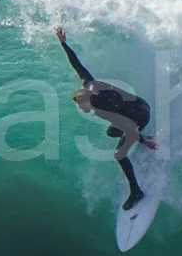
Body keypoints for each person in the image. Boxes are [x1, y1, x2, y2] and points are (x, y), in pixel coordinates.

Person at [55, 26, 156, 211]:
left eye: (81, 106)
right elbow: (77, 65)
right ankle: (143, 138)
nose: (81, 109)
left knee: (119, 154)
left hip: (141, 116)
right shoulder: (88, 84)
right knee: (111, 132)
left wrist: (143, 142)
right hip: (141, 103)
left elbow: (128, 125)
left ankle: (136, 192)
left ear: (89, 102)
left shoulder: (103, 108)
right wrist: (63, 44)